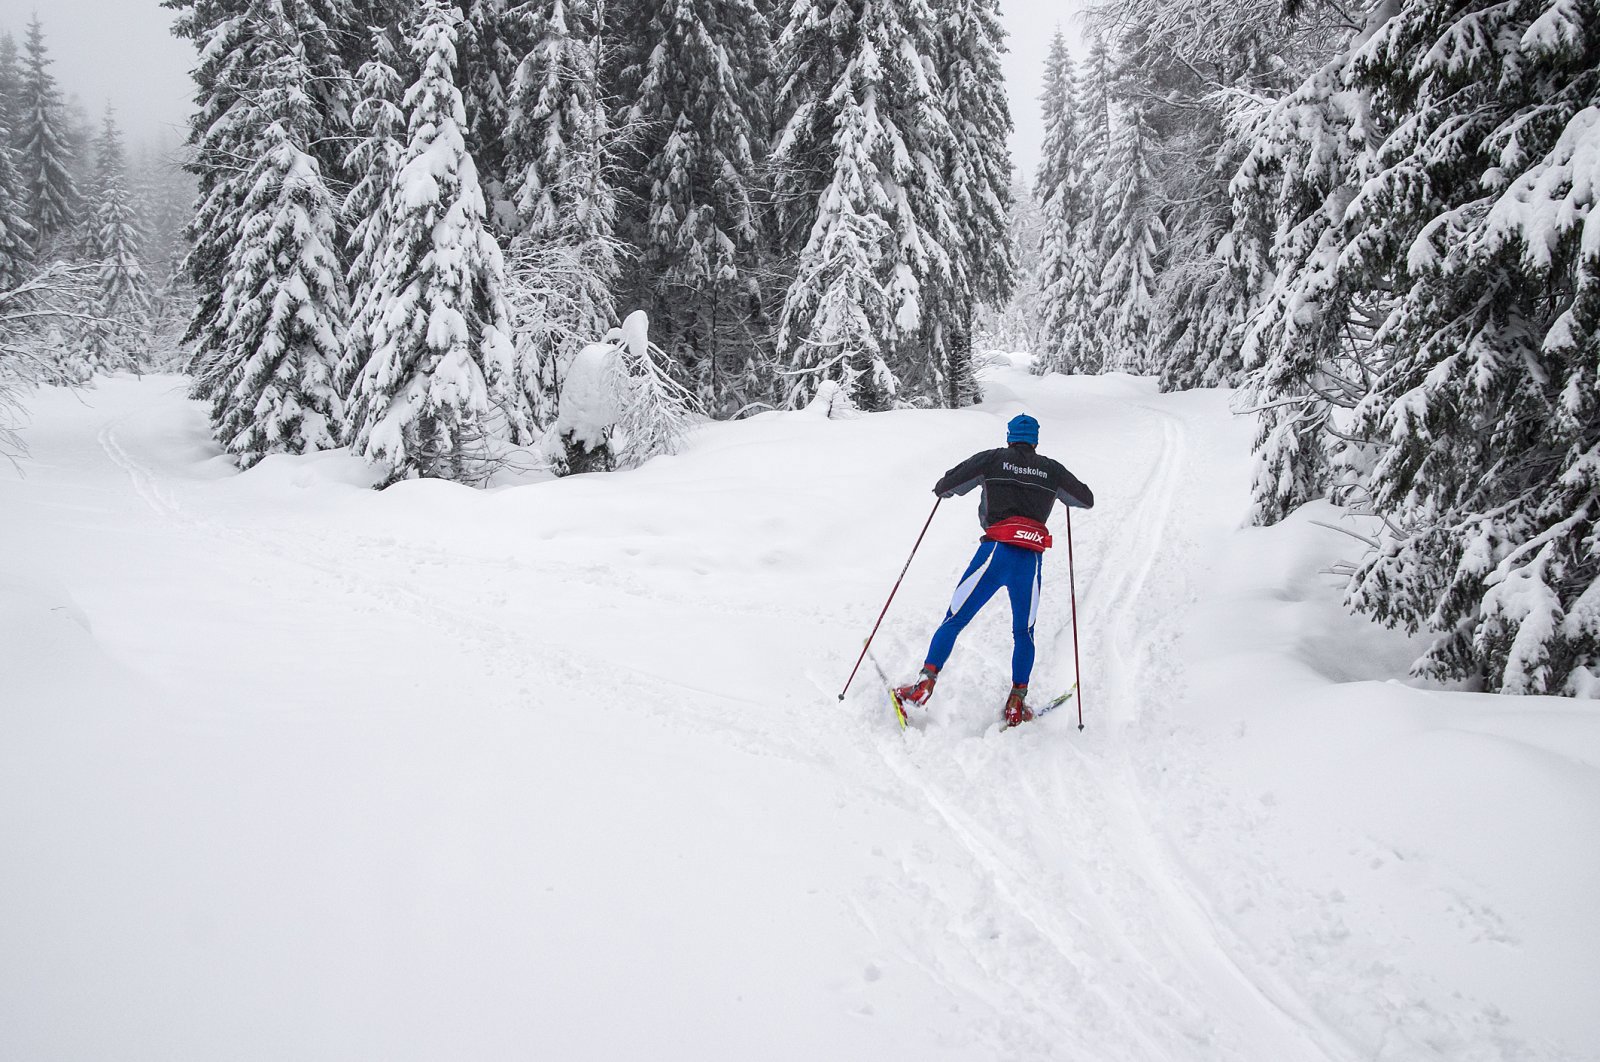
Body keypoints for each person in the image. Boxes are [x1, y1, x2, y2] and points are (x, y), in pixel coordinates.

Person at [894, 413, 1094, 727]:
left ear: (1009, 436)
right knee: (1024, 632)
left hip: (994, 552)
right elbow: (1085, 499)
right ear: (1036, 440)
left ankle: (923, 685)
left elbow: (947, 485)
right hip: (1029, 561)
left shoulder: (993, 459)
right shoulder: (1052, 469)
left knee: (955, 618)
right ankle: (1016, 702)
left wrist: (946, 489)